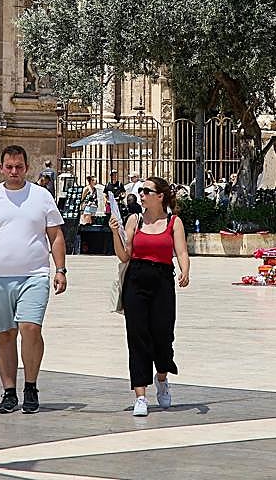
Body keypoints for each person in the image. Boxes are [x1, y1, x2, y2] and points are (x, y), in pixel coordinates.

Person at [0, 145, 66, 415]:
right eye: (9, 167)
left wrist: (61, 269)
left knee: (31, 328)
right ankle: (9, 392)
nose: (14, 172)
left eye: (19, 167)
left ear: (27, 168)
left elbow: (55, 235)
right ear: (1, 168)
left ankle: (30, 385)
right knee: (5, 335)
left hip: (35, 275)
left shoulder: (41, 197)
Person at [109, 176, 190, 417]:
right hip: (136, 279)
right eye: (141, 190)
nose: (141, 194)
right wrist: (115, 232)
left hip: (163, 280)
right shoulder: (134, 220)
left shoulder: (173, 222)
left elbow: (182, 251)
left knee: (163, 336)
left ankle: (162, 377)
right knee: (137, 337)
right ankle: (141, 395)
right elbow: (124, 255)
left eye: (146, 191)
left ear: (160, 196)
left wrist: (185, 271)